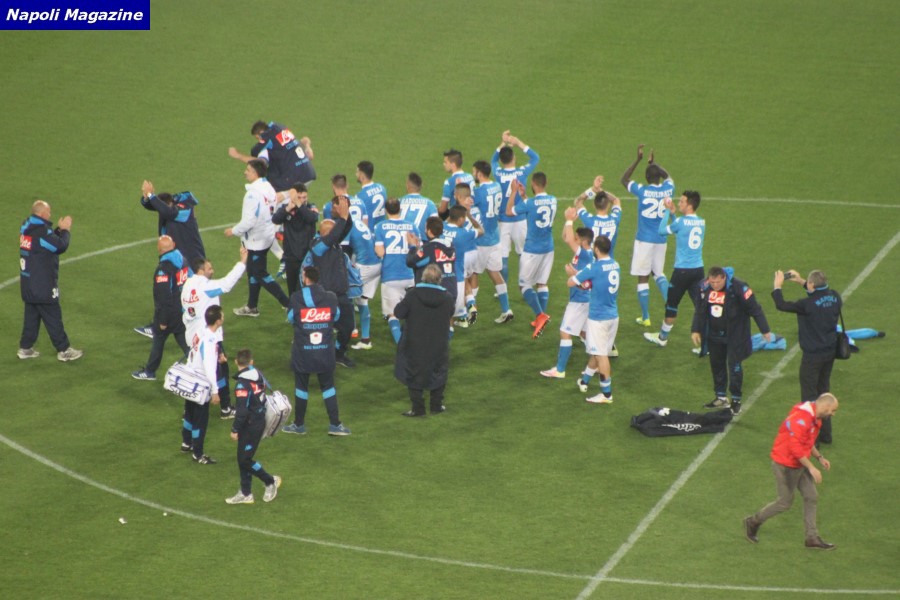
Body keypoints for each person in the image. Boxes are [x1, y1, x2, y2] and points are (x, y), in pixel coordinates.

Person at [744, 393, 839, 550]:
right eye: (833, 410)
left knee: (811, 496)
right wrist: (811, 467)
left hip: (798, 464)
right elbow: (795, 449)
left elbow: (807, 441)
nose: (833, 414)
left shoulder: (815, 418)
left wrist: (820, 457)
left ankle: (811, 538)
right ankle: (753, 521)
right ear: (825, 406)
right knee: (784, 502)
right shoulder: (801, 419)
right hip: (785, 465)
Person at [773, 269, 842, 444]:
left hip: (812, 356)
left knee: (810, 397)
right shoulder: (835, 297)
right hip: (830, 353)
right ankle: (826, 435)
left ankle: (813, 439)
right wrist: (801, 281)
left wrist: (777, 286)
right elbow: (819, 297)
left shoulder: (806, 304)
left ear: (812, 284)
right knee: (824, 392)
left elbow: (781, 305)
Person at [691, 266, 772, 415]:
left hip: (735, 334)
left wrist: (765, 329)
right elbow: (700, 309)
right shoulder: (704, 286)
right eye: (712, 282)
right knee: (716, 365)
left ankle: (736, 400)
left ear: (724, 278)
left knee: (734, 366)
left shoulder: (739, 287)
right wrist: (695, 330)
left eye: (717, 282)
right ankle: (721, 397)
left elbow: (755, 308)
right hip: (714, 334)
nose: (714, 285)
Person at [282, 267, 351, 436]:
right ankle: (335, 425)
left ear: (305, 278)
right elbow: (336, 316)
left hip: (303, 351)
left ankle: (299, 425)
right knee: (328, 387)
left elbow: (290, 318)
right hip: (325, 351)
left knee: (301, 388)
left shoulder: (297, 297)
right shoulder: (331, 297)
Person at [181, 247, 248, 418]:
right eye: (209, 268)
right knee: (220, 370)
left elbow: (185, 312)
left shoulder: (187, 285)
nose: (213, 271)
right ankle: (225, 408)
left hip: (192, 337)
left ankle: (189, 408)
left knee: (194, 371)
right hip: (208, 337)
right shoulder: (205, 286)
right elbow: (227, 284)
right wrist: (242, 262)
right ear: (200, 271)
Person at [135, 181, 206, 338]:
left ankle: (195, 327)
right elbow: (155, 206)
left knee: (190, 293)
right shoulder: (169, 204)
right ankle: (161, 326)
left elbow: (168, 212)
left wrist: (151, 195)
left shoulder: (183, 210)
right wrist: (147, 197)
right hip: (177, 258)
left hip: (192, 258)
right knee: (170, 291)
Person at [18, 200, 83, 362]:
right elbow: (59, 246)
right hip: (42, 284)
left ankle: (25, 348)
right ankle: (64, 350)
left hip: (28, 282)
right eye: (48, 212)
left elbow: (46, 243)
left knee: (32, 316)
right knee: (53, 316)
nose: (50, 214)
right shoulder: (41, 231)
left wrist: (58, 230)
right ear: (42, 214)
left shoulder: (27, 226)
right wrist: (65, 230)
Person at [225, 159, 290, 317]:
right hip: (266, 236)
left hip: (255, 240)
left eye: (248, 170)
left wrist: (233, 231)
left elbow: (249, 221)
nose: (245, 172)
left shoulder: (252, 195)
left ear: (255, 173)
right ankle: (252, 306)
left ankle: (288, 304)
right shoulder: (268, 187)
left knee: (260, 273)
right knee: (252, 272)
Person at [620, 144, 674, 328]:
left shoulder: (642, 190)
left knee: (643, 277)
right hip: (661, 239)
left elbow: (624, 179)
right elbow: (668, 176)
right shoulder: (668, 189)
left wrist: (638, 160)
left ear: (646, 177)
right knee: (659, 273)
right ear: (659, 176)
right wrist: (654, 164)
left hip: (644, 240)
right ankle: (671, 307)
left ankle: (645, 317)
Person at [644, 191, 706, 348]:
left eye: (682, 202)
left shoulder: (681, 222)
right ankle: (706, 344)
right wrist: (673, 215)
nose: (679, 204)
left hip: (682, 272)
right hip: (698, 271)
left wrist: (667, 212)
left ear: (689, 205)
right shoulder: (701, 222)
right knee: (701, 306)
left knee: (671, 306)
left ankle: (662, 338)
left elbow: (661, 231)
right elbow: (681, 231)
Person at [394, 264, 455, 416]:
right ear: (439, 279)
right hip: (439, 341)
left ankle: (418, 409)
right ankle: (436, 406)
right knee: (438, 371)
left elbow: (399, 313)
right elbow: (450, 313)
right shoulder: (447, 297)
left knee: (413, 371)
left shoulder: (413, 294)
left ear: (423, 277)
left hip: (415, 341)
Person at [541, 208, 594, 379]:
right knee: (585, 333)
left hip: (580, 299)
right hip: (587, 298)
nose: (573, 241)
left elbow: (569, 239)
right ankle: (602, 358)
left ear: (583, 242)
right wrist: (568, 223)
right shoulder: (586, 252)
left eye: (577, 239)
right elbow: (566, 237)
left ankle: (560, 370)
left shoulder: (584, 253)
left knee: (565, 332)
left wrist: (570, 219)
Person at [225, 348, 281, 505]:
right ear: (251, 362)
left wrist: (235, 429)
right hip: (257, 420)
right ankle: (245, 492)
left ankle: (270, 481)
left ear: (236, 362)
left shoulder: (242, 385)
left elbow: (242, 411)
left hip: (251, 425)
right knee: (242, 458)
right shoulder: (257, 374)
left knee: (244, 460)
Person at [305, 196, 356, 368]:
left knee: (348, 327)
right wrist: (342, 218)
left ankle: (338, 353)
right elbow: (335, 234)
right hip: (324, 297)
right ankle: (315, 357)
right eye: (333, 231)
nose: (336, 234)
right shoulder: (317, 246)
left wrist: (346, 213)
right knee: (320, 330)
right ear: (323, 233)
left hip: (341, 295)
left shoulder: (334, 243)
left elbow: (346, 227)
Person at [568, 235, 620, 404]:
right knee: (597, 351)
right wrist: (584, 280)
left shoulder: (594, 267)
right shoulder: (616, 265)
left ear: (596, 249)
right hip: (613, 316)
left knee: (601, 355)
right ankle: (584, 381)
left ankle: (606, 395)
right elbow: (594, 281)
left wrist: (573, 274)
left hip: (598, 318)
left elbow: (571, 283)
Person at [505, 174, 558, 338]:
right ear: (546, 183)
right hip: (548, 248)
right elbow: (536, 209)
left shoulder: (530, 203)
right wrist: (524, 196)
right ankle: (541, 317)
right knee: (542, 283)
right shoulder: (553, 200)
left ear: (534, 184)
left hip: (532, 250)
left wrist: (514, 192)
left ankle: (540, 315)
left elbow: (509, 211)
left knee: (524, 285)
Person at [132, 236, 190, 380]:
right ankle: (200, 367)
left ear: (159, 249)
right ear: (174, 244)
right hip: (182, 309)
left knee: (159, 339)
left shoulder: (163, 269)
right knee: (184, 340)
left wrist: (163, 320)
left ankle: (150, 371)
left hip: (169, 313)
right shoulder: (183, 259)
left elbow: (164, 297)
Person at [492, 130, 540, 287]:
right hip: (520, 219)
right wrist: (518, 142)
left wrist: (503, 142)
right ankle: (525, 285)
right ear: (513, 158)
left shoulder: (498, 173)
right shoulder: (521, 172)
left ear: (501, 160)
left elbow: (493, 160)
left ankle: (503, 289)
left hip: (503, 221)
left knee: (503, 256)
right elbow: (535, 158)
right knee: (523, 254)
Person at [470, 160, 512, 326]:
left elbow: (466, 206)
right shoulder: (497, 186)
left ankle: (471, 312)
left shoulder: (478, 192)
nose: (473, 174)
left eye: (474, 171)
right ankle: (506, 309)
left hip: (482, 241)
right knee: (495, 273)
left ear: (479, 174)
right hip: (495, 237)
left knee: (473, 274)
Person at [182, 305, 224, 464]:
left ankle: (186, 442)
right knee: (200, 419)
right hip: (201, 382)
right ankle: (198, 453)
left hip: (190, 377)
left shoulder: (200, 331)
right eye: (222, 316)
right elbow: (209, 368)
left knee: (189, 412)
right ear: (218, 321)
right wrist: (215, 391)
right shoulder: (210, 340)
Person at [374, 197, 417, 343]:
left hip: (390, 276)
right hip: (409, 275)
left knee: (393, 315)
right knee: (411, 313)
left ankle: (401, 346)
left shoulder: (380, 227)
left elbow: (380, 252)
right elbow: (418, 249)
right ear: (400, 209)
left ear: (386, 210)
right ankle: (414, 342)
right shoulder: (411, 226)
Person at [228, 120, 316, 190]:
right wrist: (307, 145)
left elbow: (259, 162)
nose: (259, 141)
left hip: (294, 177)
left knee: (267, 189)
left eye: (258, 138)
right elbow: (306, 148)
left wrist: (238, 155)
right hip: (308, 173)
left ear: (261, 132)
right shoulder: (282, 130)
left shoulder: (267, 141)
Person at [271, 183, 319, 297]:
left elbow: (311, 218)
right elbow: (275, 219)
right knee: (292, 290)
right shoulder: (287, 208)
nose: (302, 200)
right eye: (299, 197)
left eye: (304, 197)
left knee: (307, 288)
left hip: (307, 256)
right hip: (291, 256)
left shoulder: (311, 207)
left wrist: (298, 204)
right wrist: (288, 208)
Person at [347, 197, 382, 351]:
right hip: (377, 265)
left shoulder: (347, 224)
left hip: (365, 266)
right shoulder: (359, 222)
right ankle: (365, 339)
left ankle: (351, 329)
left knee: (344, 292)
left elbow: (344, 251)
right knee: (362, 301)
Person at [441, 204, 483, 327]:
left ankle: (462, 318)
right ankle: (468, 307)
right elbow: (481, 230)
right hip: (457, 275)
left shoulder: (441, 227)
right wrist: (470, 216)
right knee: (452, 311)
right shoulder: (463, 233)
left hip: (441, 274)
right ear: (460, 220)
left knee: (445, 312)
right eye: (464, 218)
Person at [573, 175, 622, 259]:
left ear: (594, 205)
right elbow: (616, 200)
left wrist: (593, 189)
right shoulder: (615, 219)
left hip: (592, 262)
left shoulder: (589, 220)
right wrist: (600, 191)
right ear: (608, 205)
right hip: (609, 262)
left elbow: (578, 202)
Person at [406, 216, 456, 297]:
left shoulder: (429, 249)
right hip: (451, 291)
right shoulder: (450, 246)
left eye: (426, 228)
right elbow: (432, 257)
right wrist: (419, 248)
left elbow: (411, 262)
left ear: (429, 231)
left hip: (436, 293)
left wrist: (412, 246)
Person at [399, 172, 438, 238]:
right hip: (422, 241)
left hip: (402, 240)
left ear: (407, 186)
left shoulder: (398, 202)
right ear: (421, 186)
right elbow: (435, 226)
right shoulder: (430, 204)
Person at [438, 149, 475, 218]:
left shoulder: (449, 182)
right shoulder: (470, 176)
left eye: (446, 162)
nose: (444, 164)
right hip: (473, 214)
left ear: (453, 165)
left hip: (459, 217)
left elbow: (442, 209)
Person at [356, 160, 389, 227]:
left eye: (357, 172)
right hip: (381, 230)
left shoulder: (359, 196)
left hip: (370, 231)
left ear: (362, 175)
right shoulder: (382, 188)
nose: (356, 174)